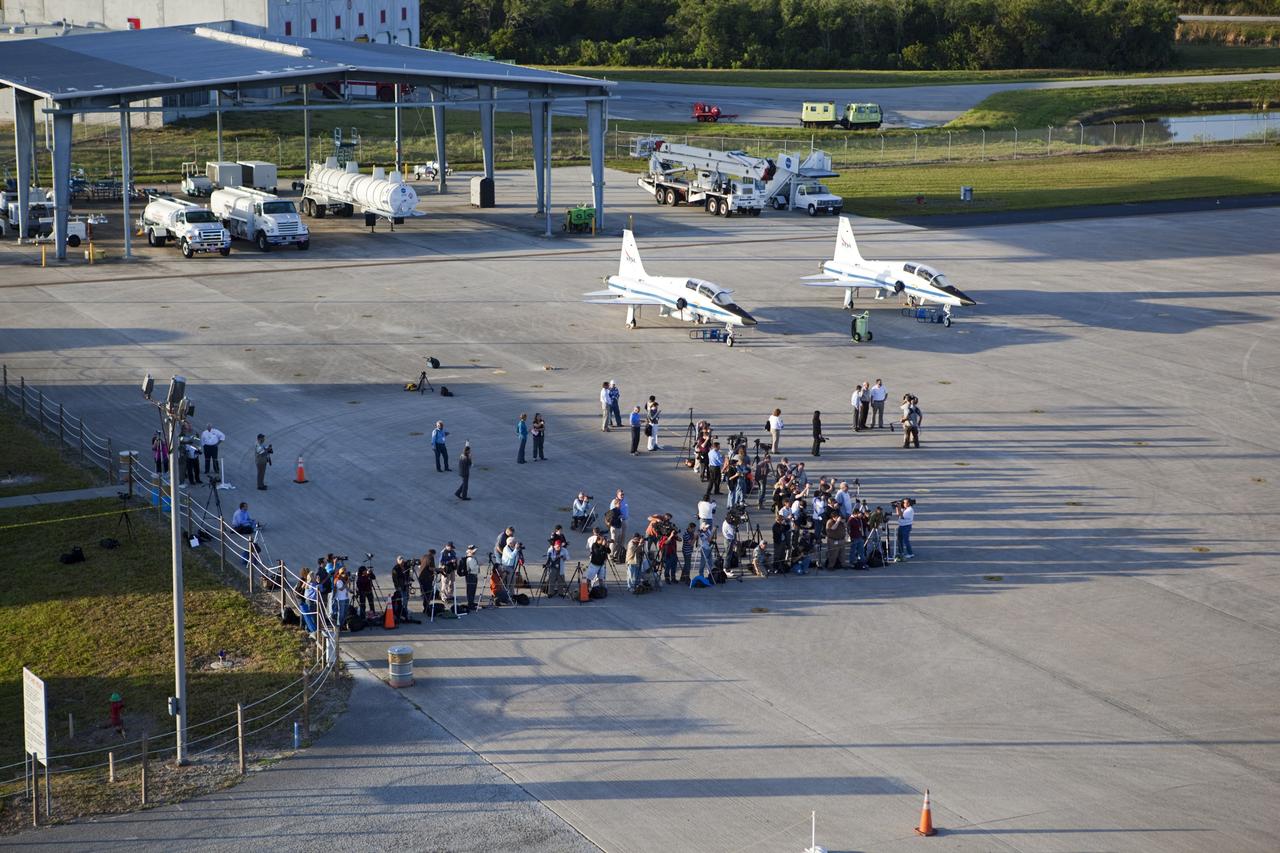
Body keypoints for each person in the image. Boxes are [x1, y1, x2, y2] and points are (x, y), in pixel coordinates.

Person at [462, 545, 481, 611]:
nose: (475, 552)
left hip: (472, 575)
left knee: (472, 589)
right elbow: (473, 568)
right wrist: (478, 566)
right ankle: (470, 603)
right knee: (471, 590)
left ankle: (471, 602)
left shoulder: (472, 558)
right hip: (471, 575)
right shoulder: (470, 559)